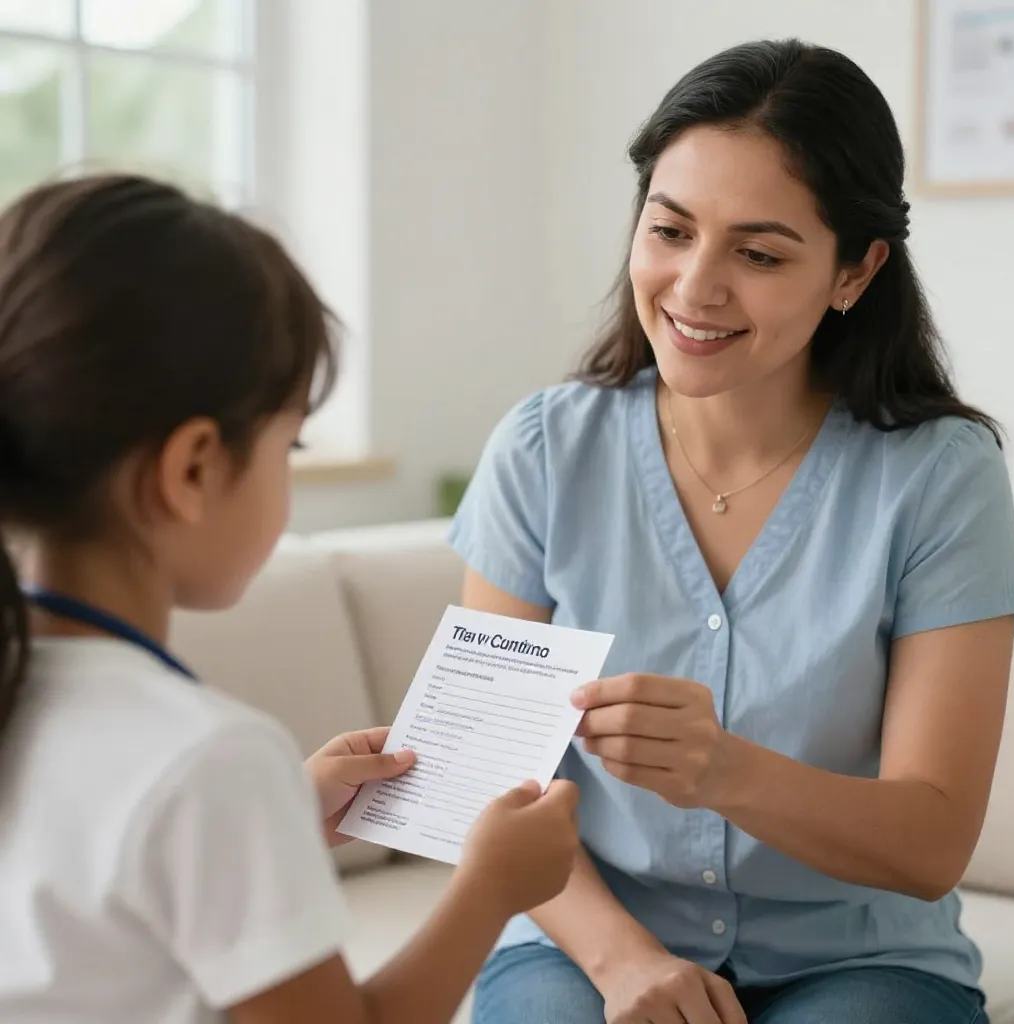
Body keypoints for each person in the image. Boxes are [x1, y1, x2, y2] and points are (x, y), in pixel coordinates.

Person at [450, 38, 1014, 1024]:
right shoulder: (543, 450)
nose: (695, 287)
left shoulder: (941, 478)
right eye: (669, 230)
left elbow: (931, 843)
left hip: (858, 959)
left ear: (855, 270)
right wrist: (627, 961)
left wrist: (724, 769)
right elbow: (490, 781)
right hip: (584, 941)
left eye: (757, 253)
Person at [0, 173, 580, 1024]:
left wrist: (278, 826)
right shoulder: (208, 760)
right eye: (289, 443)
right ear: (193, 468)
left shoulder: (41, 698)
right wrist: (490, 888)